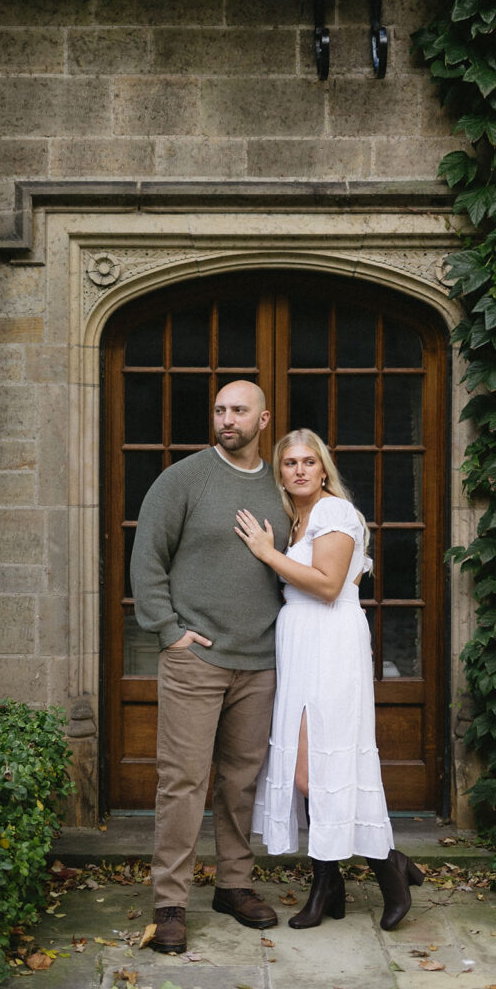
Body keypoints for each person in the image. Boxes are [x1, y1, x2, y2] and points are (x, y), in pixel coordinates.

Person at [234, 428, 424, 931]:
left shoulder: (335, 513)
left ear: (323, 469)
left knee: (326, 765)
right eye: (289, 463)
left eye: (308, 462)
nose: (298, 470)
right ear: (280, 472)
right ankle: (329, 882)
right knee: (306, 772)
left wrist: (266, 554)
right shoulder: (296, 520)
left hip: (332, 643)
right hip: (299, 644)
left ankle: (391, 871)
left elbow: (327, 585)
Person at [131, 380, 291, 954]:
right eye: (220, 409)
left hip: (261, 660)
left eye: (239, 410)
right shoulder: (183, 479)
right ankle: (170, 901)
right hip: (195, 658)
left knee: (241, 781)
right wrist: (169, 631)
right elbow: (147, 556)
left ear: (263, 419)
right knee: (183, 781)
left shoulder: (280, 485)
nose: (227, 418)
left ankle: (234, 885)